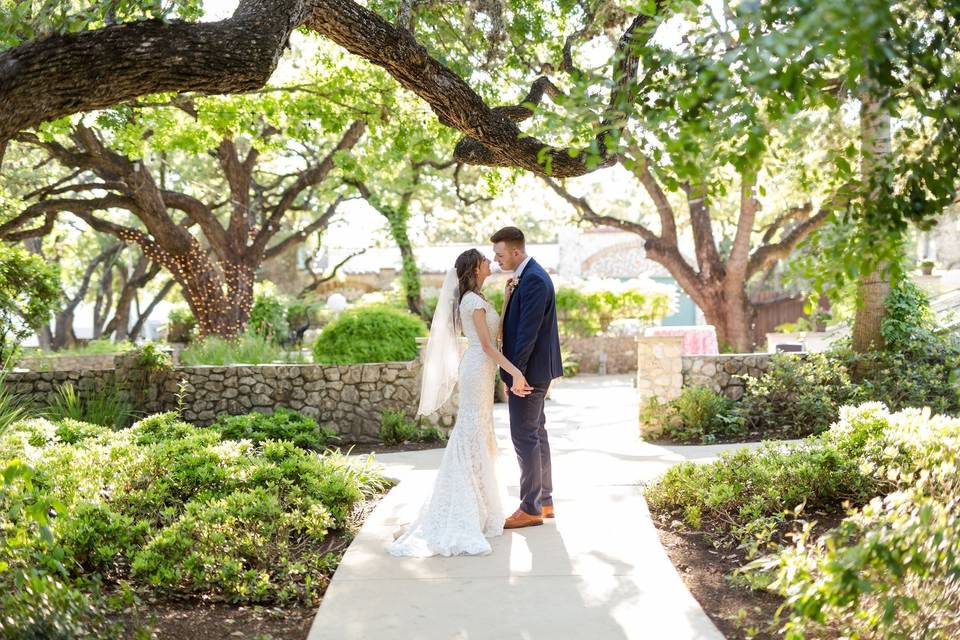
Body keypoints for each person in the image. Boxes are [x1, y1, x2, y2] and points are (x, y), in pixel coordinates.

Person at [388, 248, 532, 557]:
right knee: (471, 430)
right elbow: (487, 346)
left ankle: (480, 503)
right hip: (478, 368)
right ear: (475, 268)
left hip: (484, 369)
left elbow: (498, 336)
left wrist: (506, 301)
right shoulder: (471, 301)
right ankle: (463, 504)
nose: (490, 261)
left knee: (480, 431)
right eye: (485, 259)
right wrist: (516, 373)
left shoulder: (480, 299)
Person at [491, 226, 563, 529]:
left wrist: (513, 374)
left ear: (516, 252)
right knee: (536, 433)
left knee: (524, 437)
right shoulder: (528, 275)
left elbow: (526, 334)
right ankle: (544, 501)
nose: (496, 260)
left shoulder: (533, 279)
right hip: (532, 370)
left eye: (500, 254)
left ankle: (530, 507)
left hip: (528, 373)